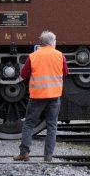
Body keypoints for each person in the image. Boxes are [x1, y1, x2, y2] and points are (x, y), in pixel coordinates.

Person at [14, 30, 68, 162]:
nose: (56, 43)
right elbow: (65, 72)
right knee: (52, 125)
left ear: (42, 43)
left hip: (37, 95)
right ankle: (48, 156)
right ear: (51, 42)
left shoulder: (33, 56)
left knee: (29, 124)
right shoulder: (60, 55)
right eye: (55, 41)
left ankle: (24, 153)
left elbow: (24, 75)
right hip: (54, 95)